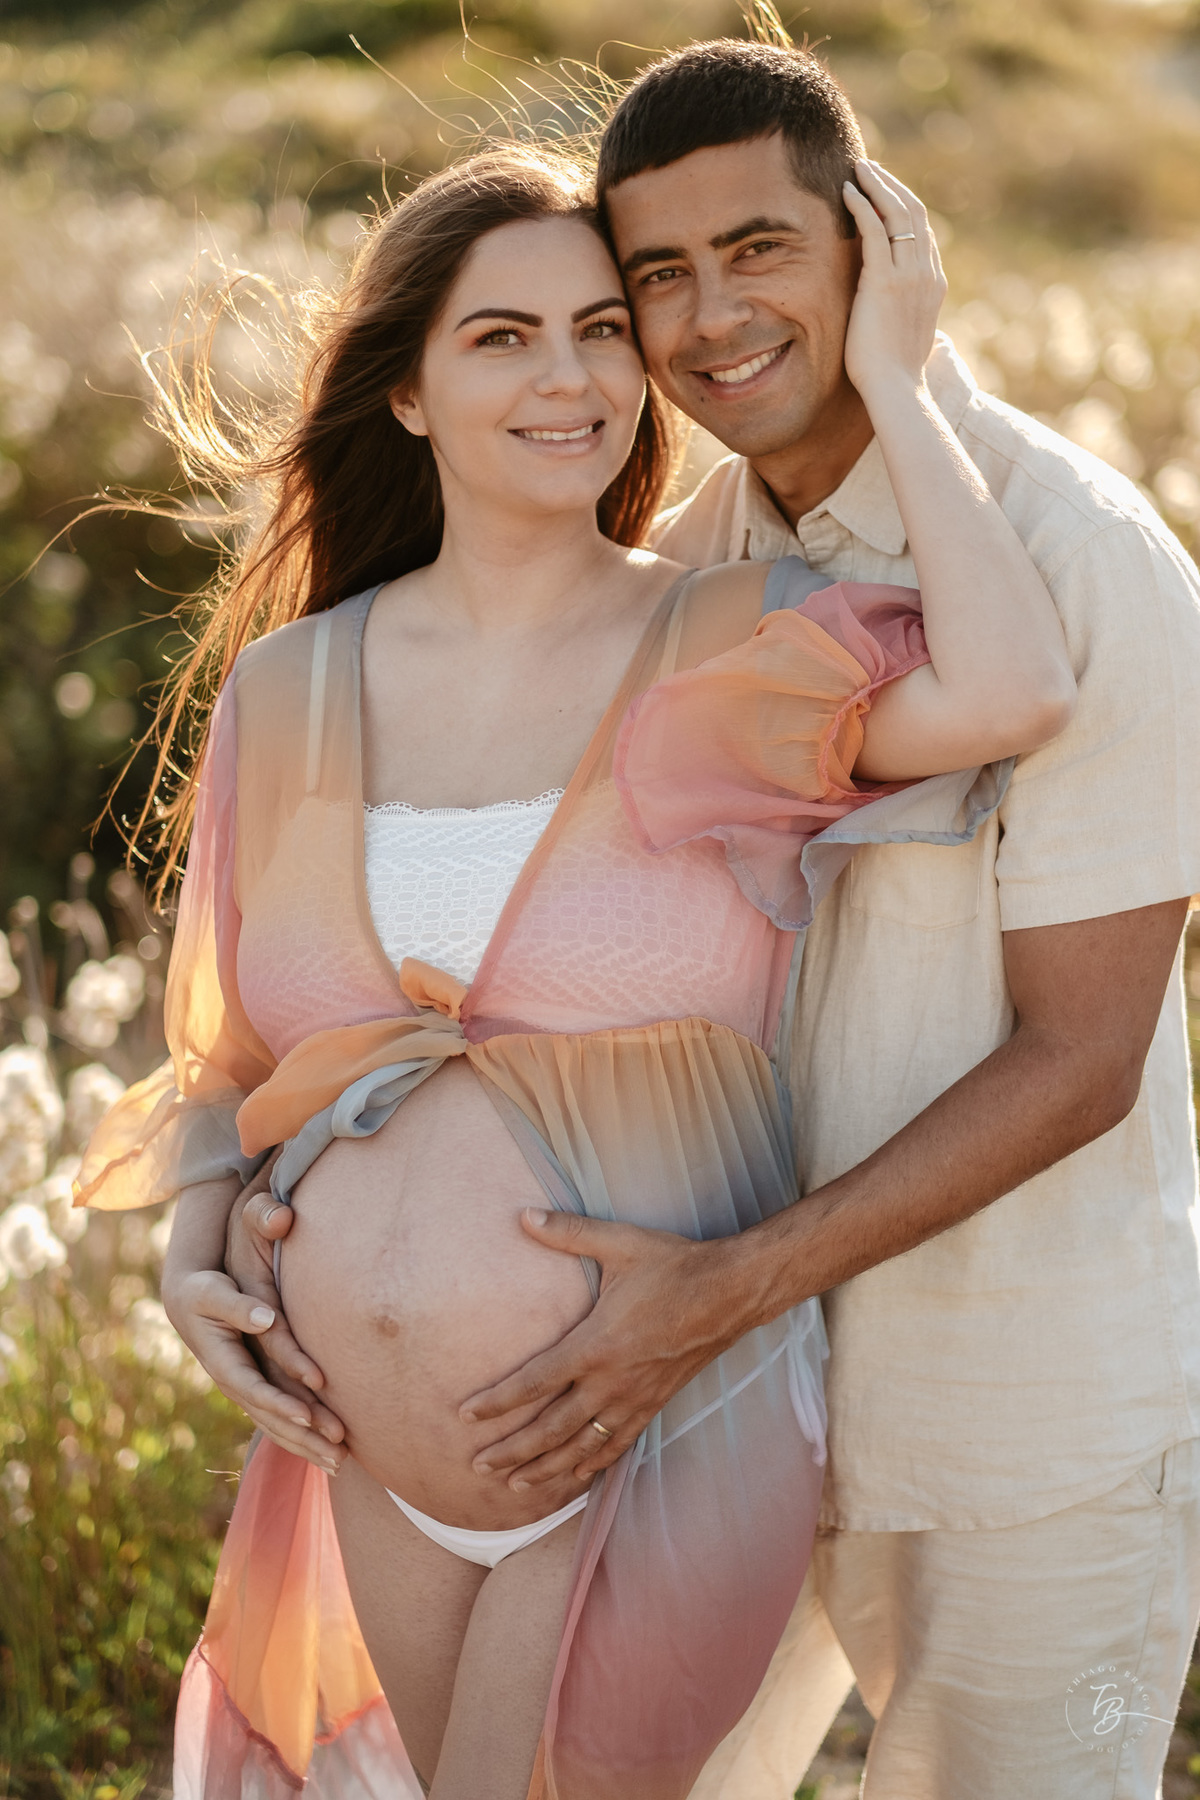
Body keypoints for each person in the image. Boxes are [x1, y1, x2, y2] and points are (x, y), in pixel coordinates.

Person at [75, 145, 1073, 1797]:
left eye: (605, 329)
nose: (572, 376)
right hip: (373, 1450)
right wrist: (194, 1262)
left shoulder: (728, 637)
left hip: (649, 1412)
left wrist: (900, 371)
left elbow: (1014, 690)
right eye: (503, 337)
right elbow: (232, 1060)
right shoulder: (293, 688)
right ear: (403, 392)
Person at [372, 39, 1200, 1800]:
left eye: (758, 248)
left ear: (873, 243)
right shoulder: (686, 561)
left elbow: (1083, 1060)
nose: (707, 315)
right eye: (657, 274)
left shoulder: (1088, 563)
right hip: (719, 1404)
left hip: (1019, 1412)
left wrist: (724, 1290)